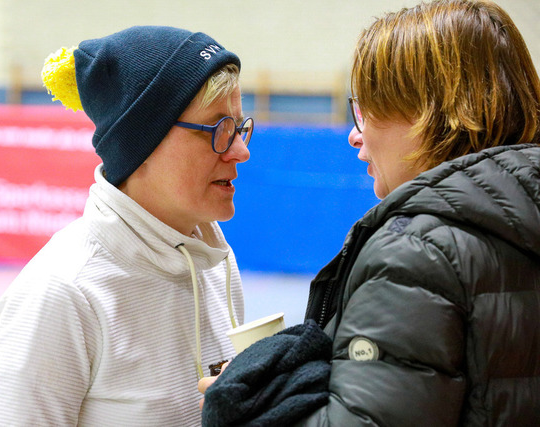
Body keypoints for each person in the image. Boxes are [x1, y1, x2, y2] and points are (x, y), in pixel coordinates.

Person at [199, 1, 540, 425]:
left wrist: (250, 403)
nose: (354, 135)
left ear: (429, 114)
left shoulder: (417, 253)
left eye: (366, 110)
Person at [0, 26, 253, 426]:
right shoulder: (62, 295)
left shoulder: (217, 264)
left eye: (239, 128)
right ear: (142, 145)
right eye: (217, 130)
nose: (240, 151)